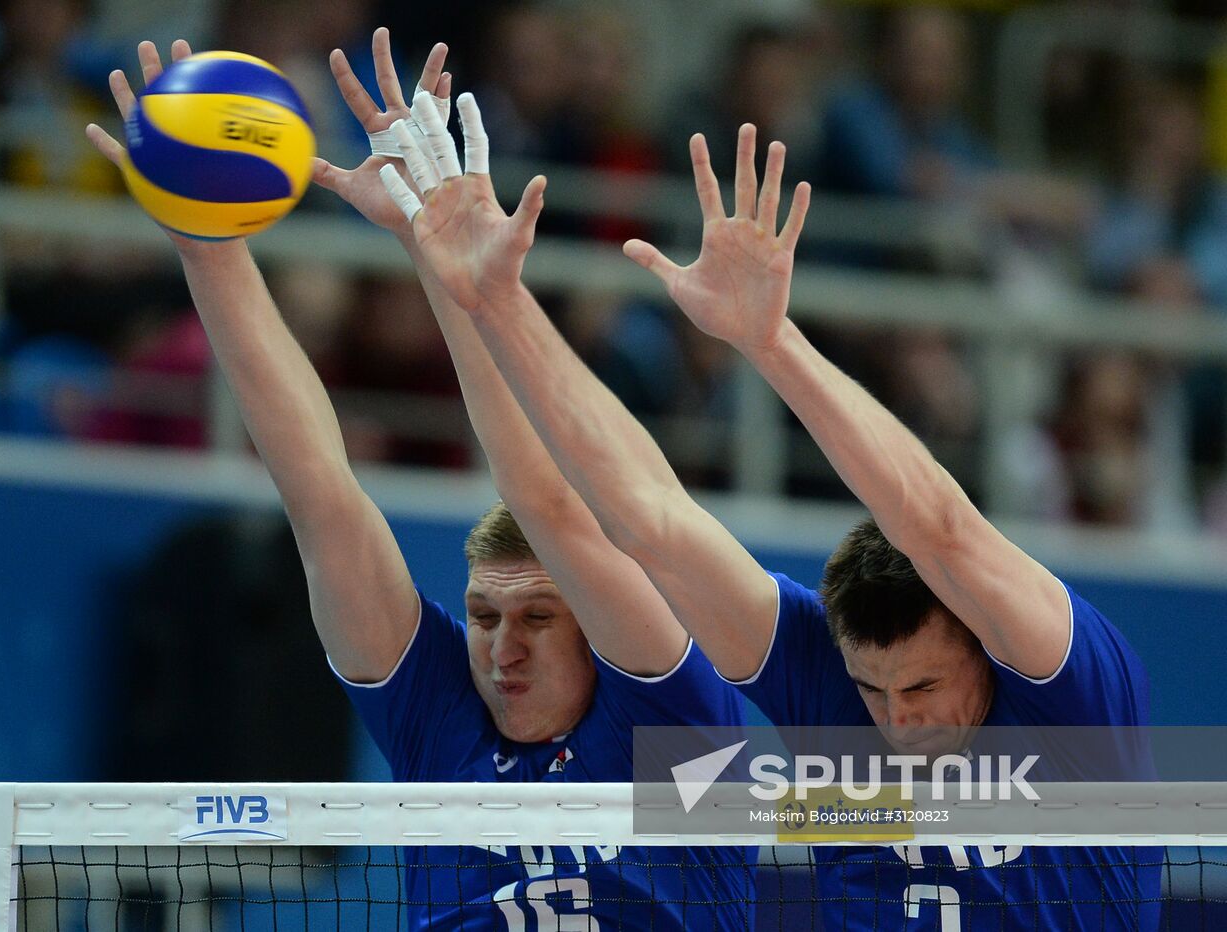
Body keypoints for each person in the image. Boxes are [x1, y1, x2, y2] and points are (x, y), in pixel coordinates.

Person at [382, 86, 1160, 927]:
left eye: (925, 684)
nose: (899, 724)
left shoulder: (1066, 689)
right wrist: (493, 300)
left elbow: (940, 526)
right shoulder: (823, 683)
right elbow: (647, 520)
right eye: (871, 688)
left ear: (983, 637)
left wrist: (770, 343)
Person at [84, 33, 754, 930]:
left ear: (599, 631)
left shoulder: (679, 729)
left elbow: (548, 504)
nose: (500, 650)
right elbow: (320, 494)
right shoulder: (444, 724)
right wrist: (210, 250)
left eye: (538, 619)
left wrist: (444, 260)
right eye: (484, 618)